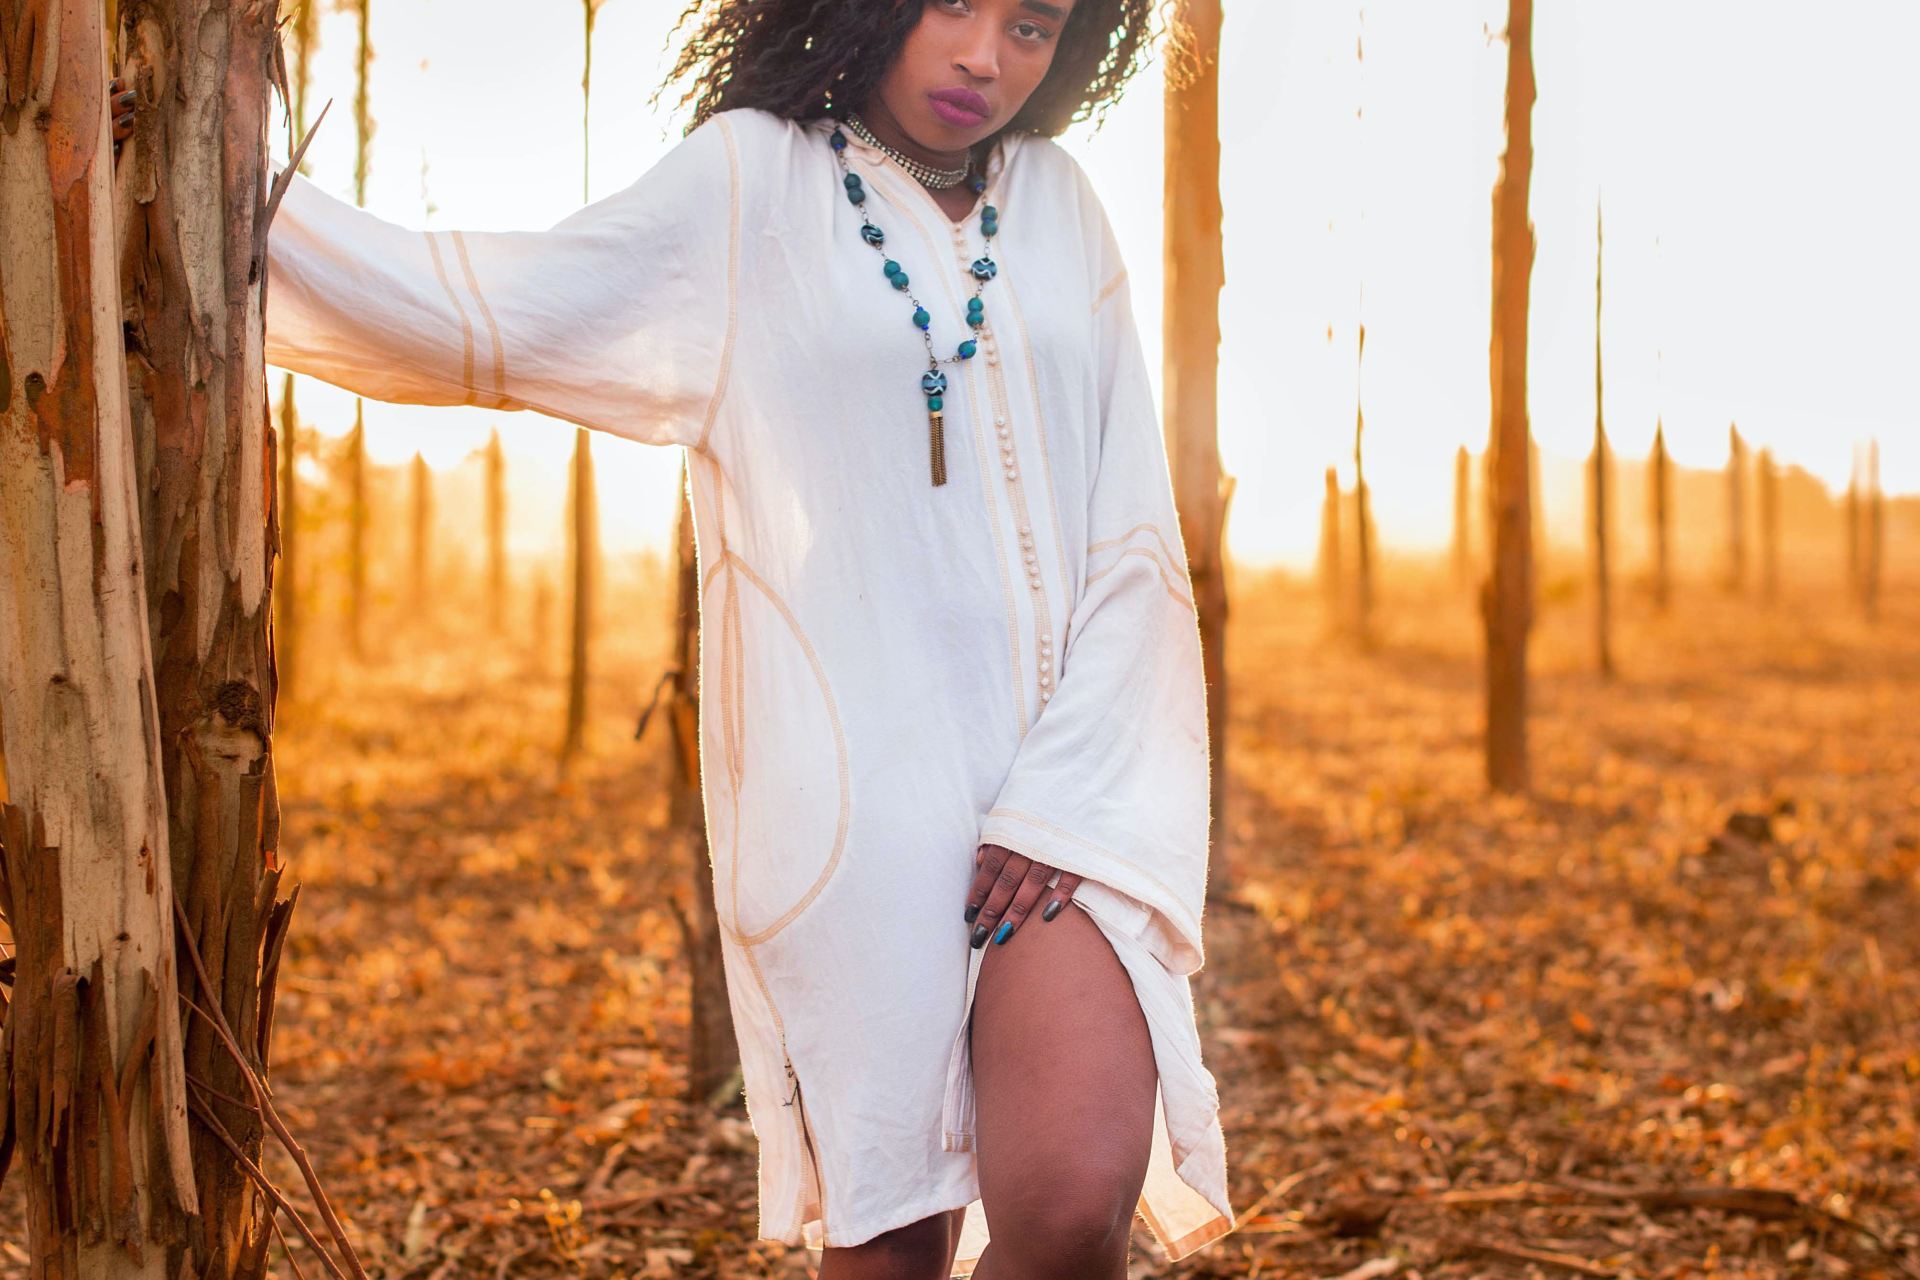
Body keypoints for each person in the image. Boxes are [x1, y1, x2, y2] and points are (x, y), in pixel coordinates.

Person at [113, 1, 1235, 1275]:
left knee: (1077, 1203)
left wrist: (1073, 794)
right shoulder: (749, 182)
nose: (986, 56)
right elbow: (491, 310)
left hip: (1065, 795)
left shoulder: (1061, 204)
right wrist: (212, 177)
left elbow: (1131, 525)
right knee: (890, 1239)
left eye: (1033, 26)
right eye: (952, 4)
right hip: (857, 799)